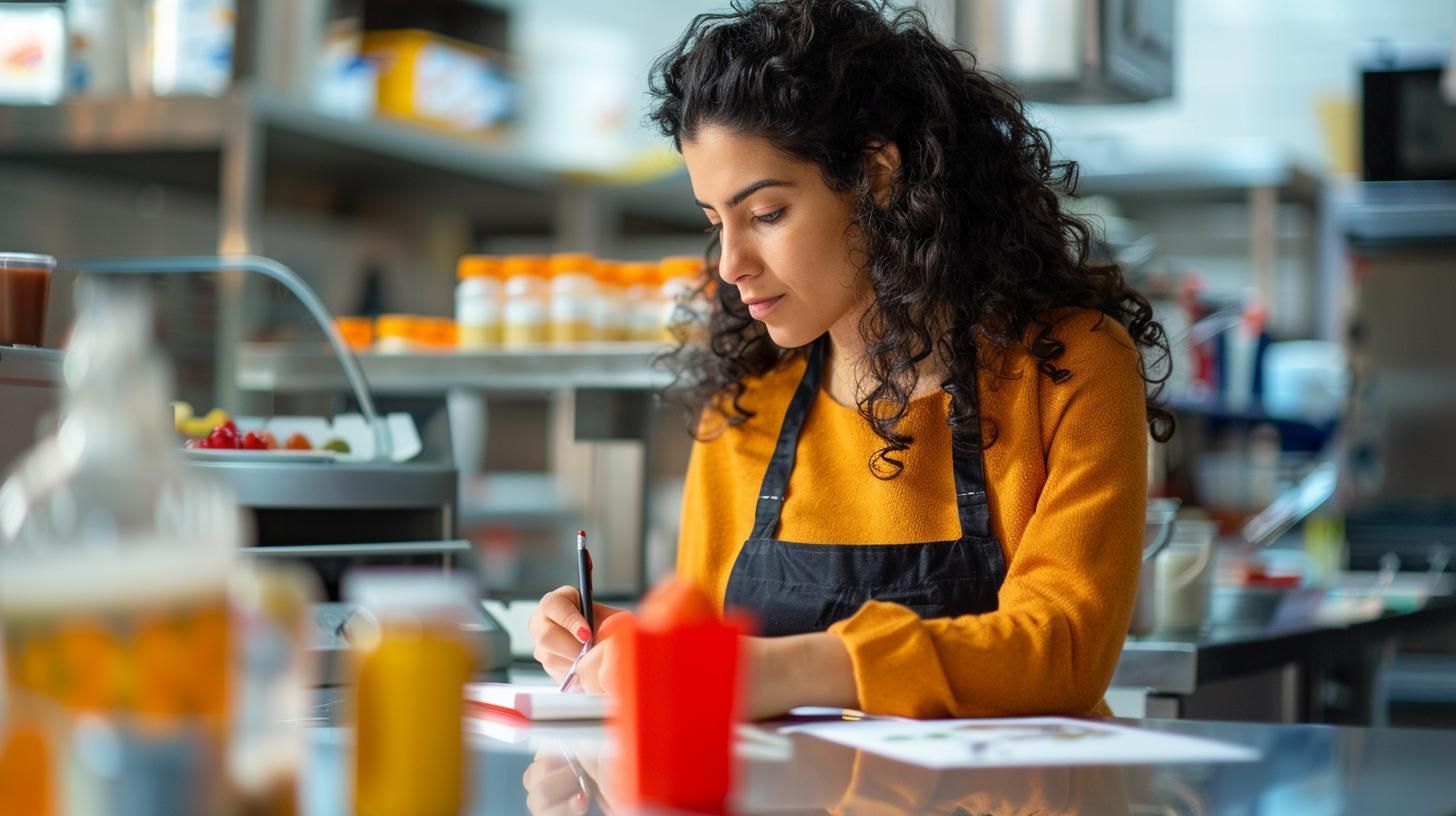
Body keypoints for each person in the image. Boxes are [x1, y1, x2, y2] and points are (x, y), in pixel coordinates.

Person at [529, 0, 1173, 720]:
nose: (732, 264)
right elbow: (717, 655)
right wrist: (632, 646)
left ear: (876, 176)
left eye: (767, 214)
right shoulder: (745, 405)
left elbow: (1064, 649)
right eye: (716, 223)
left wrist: (791, 669)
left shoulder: (1068, 368)